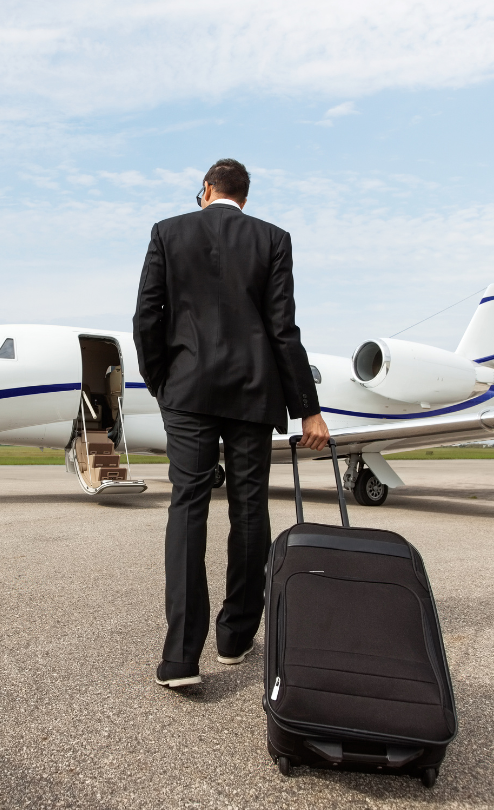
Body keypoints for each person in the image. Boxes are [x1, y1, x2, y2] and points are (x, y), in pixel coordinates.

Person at [133, 158, 330, 688]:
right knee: (249, 509)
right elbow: (282, 328)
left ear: (207, 190)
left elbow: (147, 317)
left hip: (187, 391)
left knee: (188, 507)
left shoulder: (168, 232)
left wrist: (162, 381)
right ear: (243, 196)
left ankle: (180, 657)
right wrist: (307, 407)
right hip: (253, 392)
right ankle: (236, 637)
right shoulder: (273, 240)